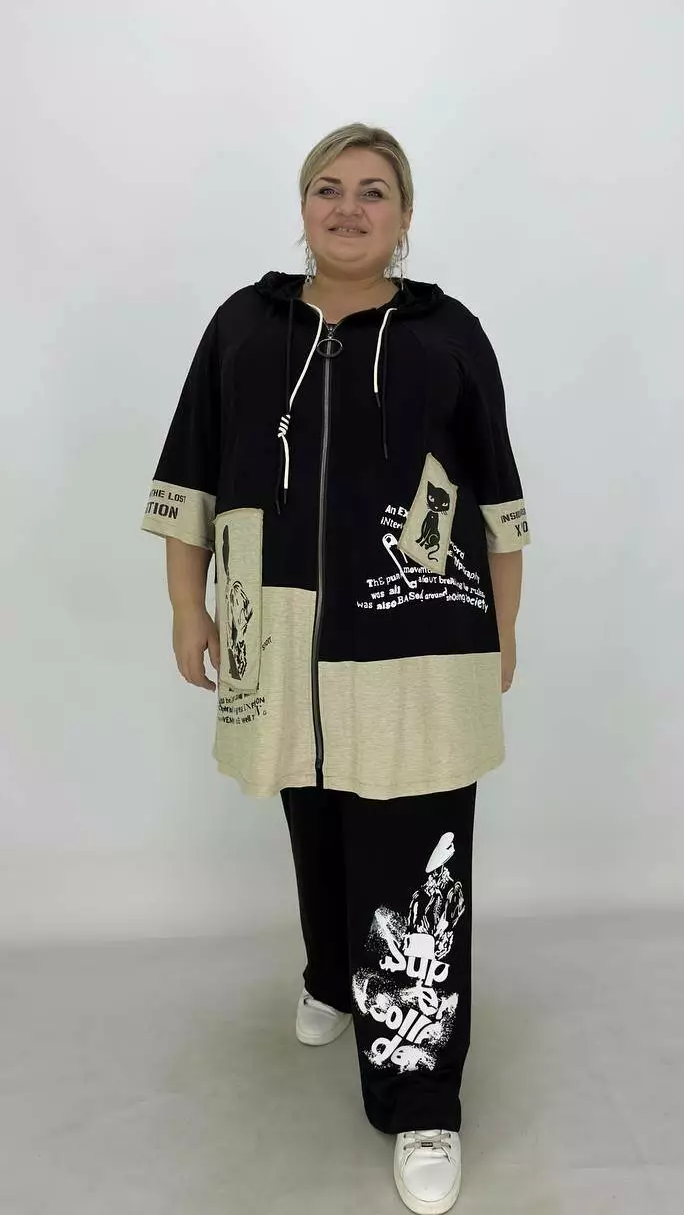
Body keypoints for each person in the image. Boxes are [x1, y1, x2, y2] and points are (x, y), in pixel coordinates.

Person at [141, 122, 531, 1214]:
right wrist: (186, 606)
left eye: (373, 191)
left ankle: (422, 1098)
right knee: (313, 817)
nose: (348, 208)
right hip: (277, 630)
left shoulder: (449, 334)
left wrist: (506, 628)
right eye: (328, 188)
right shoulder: (244, 326)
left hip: (418, 632)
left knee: (413, 855)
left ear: (404, 216)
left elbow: (497, 498)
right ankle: (330, 976)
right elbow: (190, 476)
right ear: (302, 206)